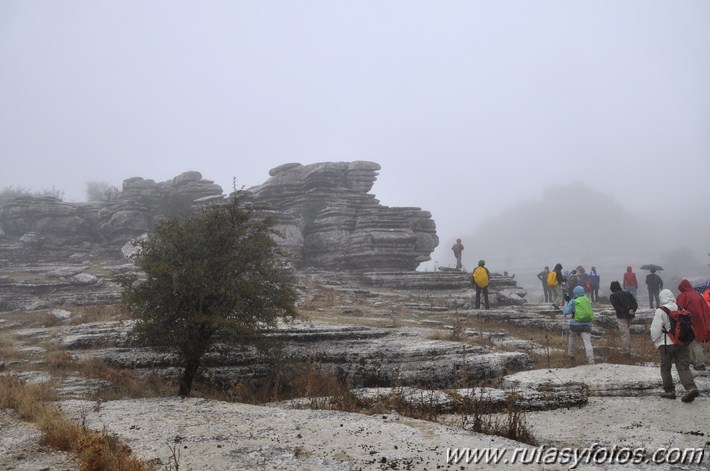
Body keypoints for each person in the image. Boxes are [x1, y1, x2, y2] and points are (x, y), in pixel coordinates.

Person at [650, 289, 699, 402]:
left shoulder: (661, 310)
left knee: (666, 368)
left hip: (666, 344)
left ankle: (669, 391)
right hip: (682, 343)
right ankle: (690, 388)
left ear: (662, 297)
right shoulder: (681, 309)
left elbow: (655, 330)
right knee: (683, 367)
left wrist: (656, 341)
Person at [677, 279, 710, 371]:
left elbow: (677, 310)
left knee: (692, 344)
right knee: (697, 343)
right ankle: (697, 362)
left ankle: (698, 363)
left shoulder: (683, 296)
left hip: (689, 324)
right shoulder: (697, 295)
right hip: (700, 323)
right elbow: (705, 309)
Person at [562, 285, 595, 365]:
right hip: (587, 324)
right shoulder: (587, 299)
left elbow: (566, 312)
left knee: (572, 337)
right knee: (587, 342)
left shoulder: (573, 300)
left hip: (575, 324)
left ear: (575, 292)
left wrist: (565, 306)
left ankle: (571, 356)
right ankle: (591, 360)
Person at [609, 281, 638, 355]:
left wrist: (626, 311)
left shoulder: (613, 296)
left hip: (621, 316)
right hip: (630, 315)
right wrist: (632, 310)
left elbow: (617, 307)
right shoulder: (627, 293)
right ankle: (628, 347)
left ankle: (626, 351)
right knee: (627, 331)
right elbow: (634, 303)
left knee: (624, 333)